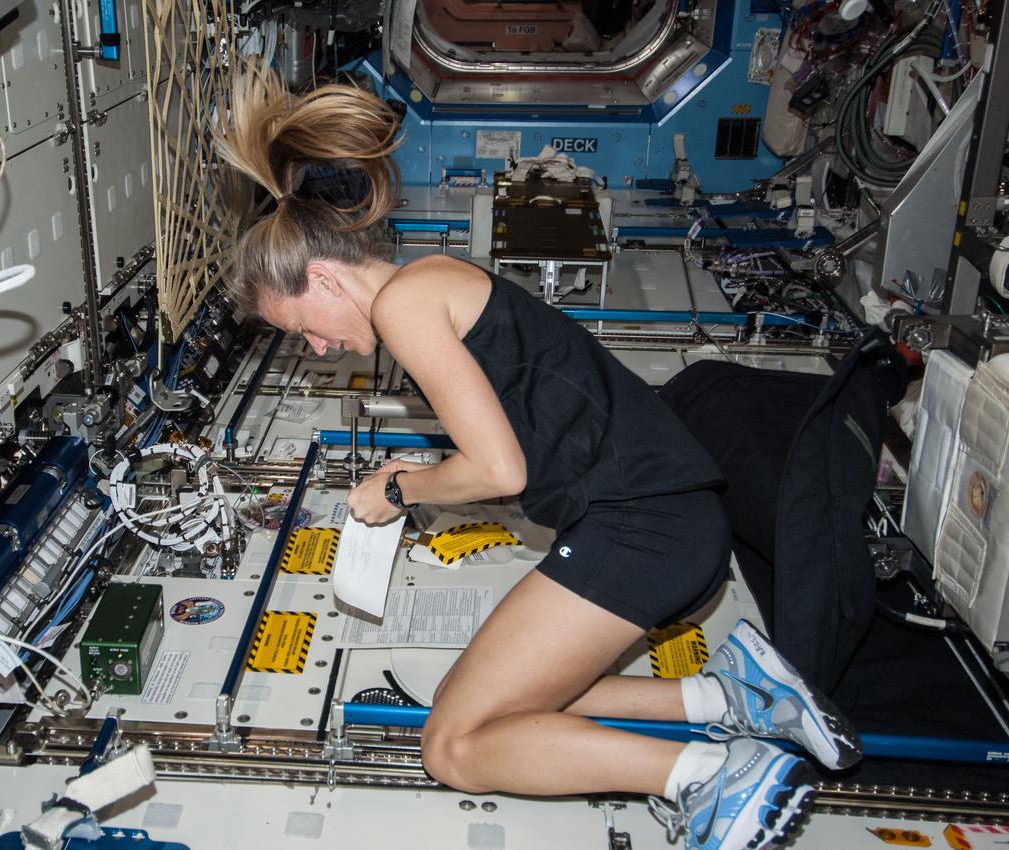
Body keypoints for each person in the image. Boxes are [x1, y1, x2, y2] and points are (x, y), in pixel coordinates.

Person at [214, 66, 863, 850]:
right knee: (507, 696)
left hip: (640, 526)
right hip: (666, 516)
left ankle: (710, 776)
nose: (316, 347)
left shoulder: (404, 306)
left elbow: (500, 471)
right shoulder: (428, 280)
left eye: (302, 329)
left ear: (320, 277)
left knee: (453, 746)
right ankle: (730, 698)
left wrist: (400, 487)